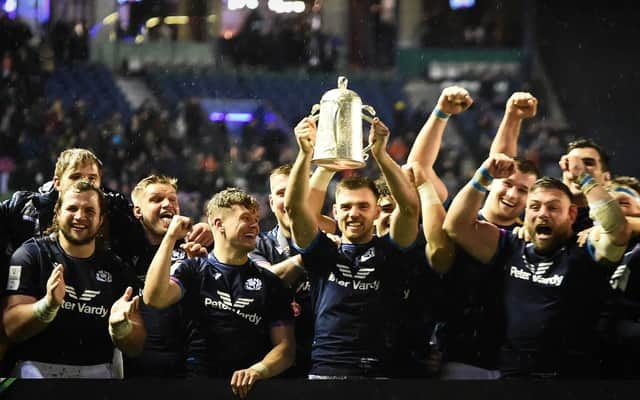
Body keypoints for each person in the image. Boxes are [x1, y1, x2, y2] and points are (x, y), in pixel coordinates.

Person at [443, 153, 630, 377]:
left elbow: (618, 230)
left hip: (569, 379)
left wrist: (584, 178)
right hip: (509, 376)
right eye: (534, 207)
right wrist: (482, 176)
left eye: (553, 208)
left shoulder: (585, 249)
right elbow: (456, 226)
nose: (542, 214)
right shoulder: (511, 245)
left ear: (571, 214)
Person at [285, 116, 421, 378]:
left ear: (376, 211)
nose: (354, 214)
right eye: (346, 207)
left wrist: (381, 154)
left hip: (381, 373)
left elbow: (410, 208)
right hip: (328, 370)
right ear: (334, 212)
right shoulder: (322, 252)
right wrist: (306, 154)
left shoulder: (390, 251)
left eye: (363, 206)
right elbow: (295, 209)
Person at [143, 188, 294, 397]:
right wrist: (170, 238)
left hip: (250, 391)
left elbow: (286, 349)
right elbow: (154, 298)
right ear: (218, 224)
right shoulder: (193, 270)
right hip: (199, 387)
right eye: (245, 218)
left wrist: (257, 370)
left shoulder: (270, 282)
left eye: (256, 220)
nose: (255, 226)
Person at [2, 181, 145, 378]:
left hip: (97, 378)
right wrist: (47, 307)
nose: (80, 216)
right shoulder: (31, 255)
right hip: (34, 376)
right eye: (72, 208)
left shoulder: (119, 269)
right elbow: (11, 328)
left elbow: (136, 347)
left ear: (101, 219)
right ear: (58, 212)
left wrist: (121, 329)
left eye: (89, 210)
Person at [249, 164, 335, 377]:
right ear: (270, 202)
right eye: (281, 193)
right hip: (276, 363)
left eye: (298, 192)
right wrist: (310, 255)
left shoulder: (338, 235)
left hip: (330, 359)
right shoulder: (257, 245)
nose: (290, 201)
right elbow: (263, 282)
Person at [123, 174, 207, 377]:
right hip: (134, 369)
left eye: (172, 199)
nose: (167, 204)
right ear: (137, 211)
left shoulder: (194, 248)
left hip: (185, 368)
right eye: (156, 199)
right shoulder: (123, 249)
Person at [561, 138, 612, 231]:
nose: (576, 169)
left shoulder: (622, 211)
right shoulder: (545, 216)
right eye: (570, 164)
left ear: (606, 178)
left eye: (588, 163)